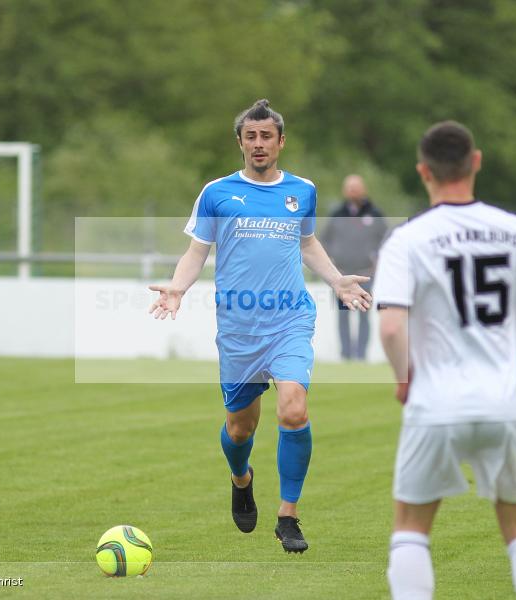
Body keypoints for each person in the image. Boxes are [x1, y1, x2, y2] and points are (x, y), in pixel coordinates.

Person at [148, 99, 371, 553]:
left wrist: (336, 279)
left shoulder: (301, 191)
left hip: (290, 319)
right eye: (251, 136)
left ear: (281, 141)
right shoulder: (217, 192)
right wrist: (176, 288)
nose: (258, 144)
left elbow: (307, 242)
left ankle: (288, 516)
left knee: (293, 408)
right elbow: (197, 251)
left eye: (266, 136)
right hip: (239, 329)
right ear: (240, 142)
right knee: (239, 430)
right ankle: (241, 479)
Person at [373, 121, 516, 600]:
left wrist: (404, 378)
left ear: (424, 172)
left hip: (436, 403)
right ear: (476, 161)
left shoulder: (408, 239)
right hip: (506, 402)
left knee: (411, 527)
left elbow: (392, 327)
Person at [321, 174, 388, 360]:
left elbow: (387, 240)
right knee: (343, 316)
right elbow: (323, 240)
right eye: (350, 187)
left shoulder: (375, 214)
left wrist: (377, 261)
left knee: (364, 316)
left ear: (363, 189)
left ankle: (361, 355)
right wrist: (330, 262)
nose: (353, 191)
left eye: (356, 187)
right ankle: (346, 355)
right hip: (341, 275)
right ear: (345, 190)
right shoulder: (337, 214)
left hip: (367, 274)